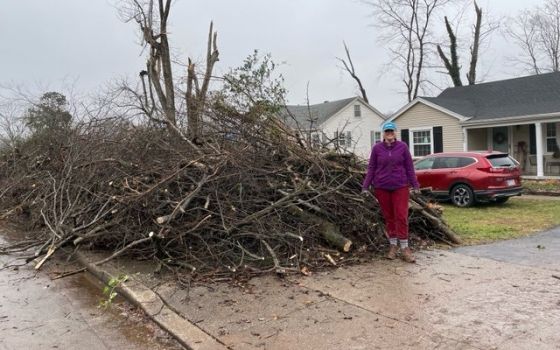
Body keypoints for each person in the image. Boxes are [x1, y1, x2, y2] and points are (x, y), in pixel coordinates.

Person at [362, 121, 420, 263]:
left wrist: (415, 184)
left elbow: (409, 167)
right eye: (387, 131)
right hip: (382, 187)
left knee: (401, 216)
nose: (389, 134)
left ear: (395, 133)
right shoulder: (377, 149)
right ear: (383, 133)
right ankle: (393, 246)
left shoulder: (403, 147)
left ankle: (405, 248)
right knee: (389, 217)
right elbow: (371, 168)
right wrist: (365, 186)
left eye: (391, 131)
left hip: (400, 186)